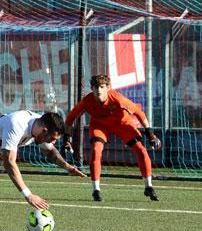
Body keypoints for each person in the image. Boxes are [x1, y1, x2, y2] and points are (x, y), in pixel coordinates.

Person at [65, 74, 161, 202]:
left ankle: (148, 186)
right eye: (95, 87)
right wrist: (67, 138)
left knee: (141, 150)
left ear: (108, 88)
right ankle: (96, 190)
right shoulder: (87, 101)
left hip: (122, 123)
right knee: (96, 151)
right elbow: (70, 118)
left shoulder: (118, 99)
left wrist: (150, 134)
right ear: (91, 88)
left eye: (102, 87)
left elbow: (139, 113)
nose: (98, 90)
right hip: (100, 125)